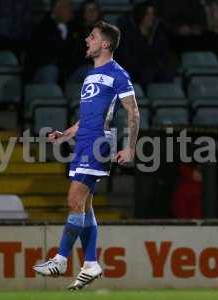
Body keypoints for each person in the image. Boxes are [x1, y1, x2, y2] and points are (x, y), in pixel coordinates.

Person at [32, 21, 140, 290]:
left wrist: (130, 147)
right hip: (84, 142)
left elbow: (133, 111)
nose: (87, 41)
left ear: (105, 44)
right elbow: (85, 119)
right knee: (85, 206)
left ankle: (60, 259)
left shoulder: (118, 74)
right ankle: (90, 263)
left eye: (92, 37)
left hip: (99, 144)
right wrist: (65, 134)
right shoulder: (91, 75)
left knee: (74, 200)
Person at [117, 0, 173, 86]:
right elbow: (126, 57)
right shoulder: (128, 34)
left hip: (154, 72)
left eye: (153, 14)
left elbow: (162, 56)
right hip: (134, 72)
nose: (151, 17)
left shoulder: (158, 35)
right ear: (141, 15)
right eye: (148, 14)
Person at [25, 0, 73, 84]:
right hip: (45, 70)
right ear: (55, 10)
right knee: (51, 71)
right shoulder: (41, 29)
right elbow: (36, 56)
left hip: (69, 72)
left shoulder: (76, 28)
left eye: (69, 7)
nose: (69, 10)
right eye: (65, 7)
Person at [67, 0, 103, 83]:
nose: (92, 13)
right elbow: (76, 55)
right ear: (83, 13)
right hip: (80, 69)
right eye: (89, 10)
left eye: (94, 10)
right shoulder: (75, 30)